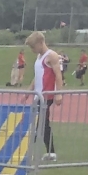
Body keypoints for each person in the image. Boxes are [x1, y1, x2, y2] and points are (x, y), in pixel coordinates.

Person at [26, 31, 61, 160]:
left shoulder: (51, 56)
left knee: (41, 123)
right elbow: (37, 76)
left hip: (47, 95)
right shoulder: (39, 57)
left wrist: (58, 94)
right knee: (43, 124)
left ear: (41, 43)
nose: (32, 50)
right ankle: (50, 152)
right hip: (39, 95)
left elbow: (58, 75)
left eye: (33, 47)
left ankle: (29, 151)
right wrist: (28, 91)